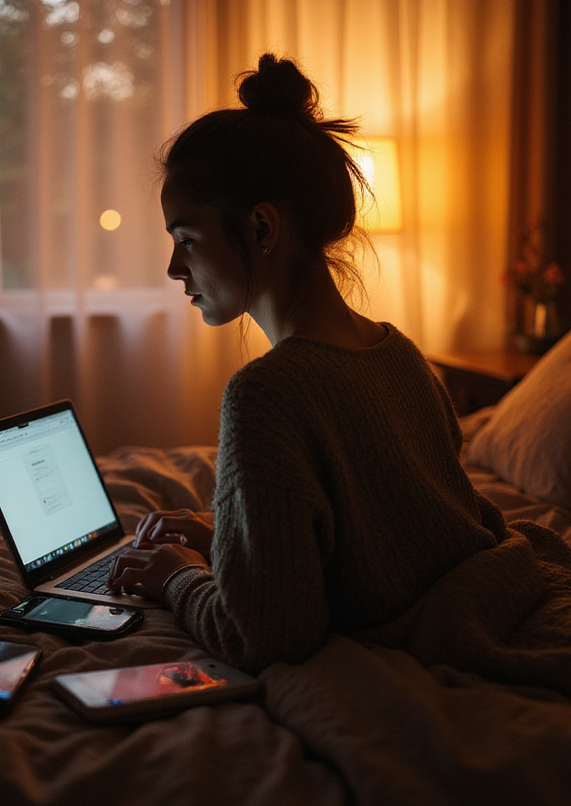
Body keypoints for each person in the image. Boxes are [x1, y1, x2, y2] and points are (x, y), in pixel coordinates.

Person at [107, 52, 506, 674]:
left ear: (262, 229)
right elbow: (387, 535)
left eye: (186, 239)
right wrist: (231, 544)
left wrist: (178, 580)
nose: (173, 269)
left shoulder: (266, 393)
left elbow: (268, 636)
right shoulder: (396, 352)